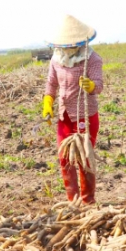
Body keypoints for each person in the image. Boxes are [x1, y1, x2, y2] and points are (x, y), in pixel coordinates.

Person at [43, 15, 104, 204]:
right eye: (64, 45)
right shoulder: (56, 59)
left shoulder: (91, 59)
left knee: (85, 159)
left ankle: (88, 201)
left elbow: (99, 85)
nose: (67, 48)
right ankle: (73, 201)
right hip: (65, 116)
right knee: (65, 158)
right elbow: (51, 84)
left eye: (70, 45)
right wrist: (47, 103)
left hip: (85, 115)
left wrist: (91, 86)